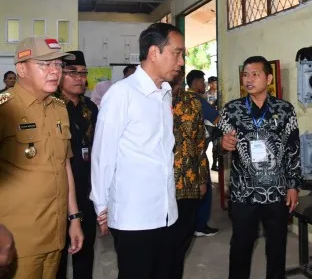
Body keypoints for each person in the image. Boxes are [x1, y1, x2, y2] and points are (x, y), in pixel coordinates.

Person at [90, 23, 184, 279]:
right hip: (134, 215)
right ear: (154, 52)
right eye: (177, 53)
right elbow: (103, 155)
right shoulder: (122, 94)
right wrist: (101, 204)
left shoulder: (164, 93)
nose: (181, 61)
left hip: (166, 213)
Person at [0, 36, 84, 279]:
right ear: (21, 69)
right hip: (17, 238)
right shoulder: (5, 109)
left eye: (58, 65)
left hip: (54, 233)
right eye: (44, 65)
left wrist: (75, 218)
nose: (54, 71)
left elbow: (64, 165)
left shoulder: (59, 108)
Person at [219, 55, 301, 279]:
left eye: (255, 74)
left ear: (269, 78)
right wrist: (222, 144)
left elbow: (293, 149)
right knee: (241, 245)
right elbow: (219, 147)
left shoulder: (285, 110)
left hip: (276, 192)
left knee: (277, 246)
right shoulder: (231, 110)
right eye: (245, 74)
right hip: (243, 192)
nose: (249, 79)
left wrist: (293, 186)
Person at [56, 51, 101, 279]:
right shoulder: (52, 107)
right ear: (60, 75)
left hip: (87, 192)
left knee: (85, 253)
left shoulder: (90, 108)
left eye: (83, 73)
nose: (79, 78)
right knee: (58, 257)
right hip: (59, 192)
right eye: (72, 73)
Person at [170, 67, 209, 278]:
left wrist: (203, 179)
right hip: (160, 184)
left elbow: (200, 142)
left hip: (189, 182)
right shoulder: (152, 99)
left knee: (183, 237)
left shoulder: (193, 102)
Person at [186, 69, 220, 237]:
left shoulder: (182, 98)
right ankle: (200, 225)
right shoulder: (197, 100)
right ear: (196, 82)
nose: (204, 85)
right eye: (203, 81)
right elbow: (217, 119)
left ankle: (190, 224)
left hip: (182, 153)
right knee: (204, 186)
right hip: (197, 151)